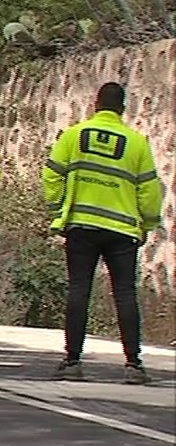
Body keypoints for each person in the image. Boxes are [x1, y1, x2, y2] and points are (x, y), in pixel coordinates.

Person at [43, 82, 163, 385]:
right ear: (123, 108)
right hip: (122, 230)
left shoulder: (74, 135)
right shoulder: (136, 143)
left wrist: (59, 207)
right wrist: (147, 224)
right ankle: (133, 365)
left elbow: (52, 173)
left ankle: (72, 361)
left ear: (95, 104)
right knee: (124, 294)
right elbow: (149, 190)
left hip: (81, 226)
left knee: (78, 290)